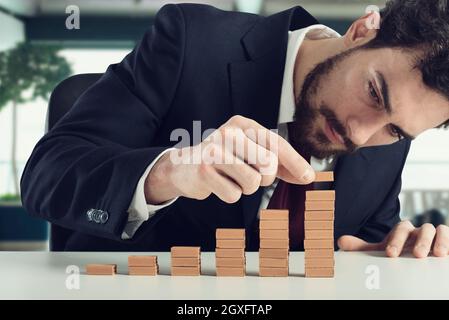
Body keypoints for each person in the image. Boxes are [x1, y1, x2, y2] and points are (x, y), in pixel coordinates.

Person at [21, 0, 449, 257]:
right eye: (374, 92)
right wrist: (168, 172)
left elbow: (362, 242)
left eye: (396, 130)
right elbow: (47, 174)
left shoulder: (387, 140)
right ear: (361, 32)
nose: (360, 136)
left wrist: (391, 253)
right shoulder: (190, 41)